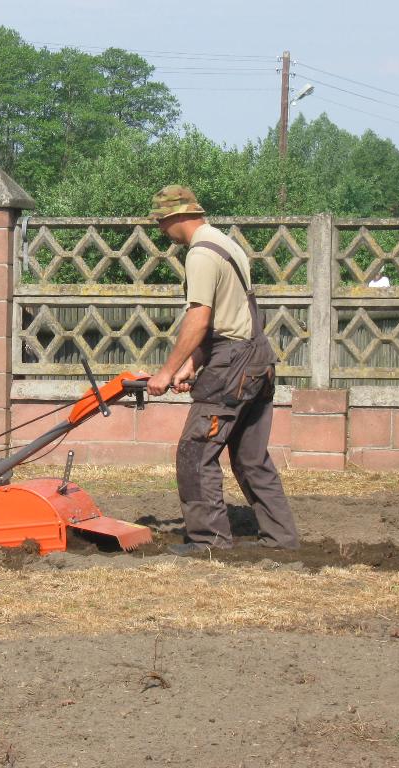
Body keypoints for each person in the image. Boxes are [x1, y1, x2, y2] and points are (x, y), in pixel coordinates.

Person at [144, 185, 299, 555]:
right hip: (257, 359)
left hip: (233, 364)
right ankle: (282, 538)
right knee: (250, 457)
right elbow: (232, 315)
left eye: (162, 224)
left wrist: (167, 371)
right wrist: (193, 364)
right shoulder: (226, 244)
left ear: (176, 217)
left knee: (194, 452)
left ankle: (208, 541)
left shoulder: (199, 254)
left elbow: (200, 319)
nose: (163, 232)